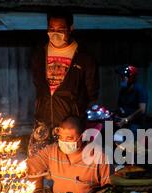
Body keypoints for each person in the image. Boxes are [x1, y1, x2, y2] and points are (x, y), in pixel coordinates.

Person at [28, 8, 99, 157]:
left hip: (70, 124)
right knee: (36, 164)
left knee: (68, 165)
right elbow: (37, 84)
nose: (55, 33)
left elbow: (92, 91)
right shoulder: (39, 54)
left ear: (71, 28)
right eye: (51, 29)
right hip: (43, 120)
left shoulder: (84, 57)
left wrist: (77, 117)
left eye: (61, 29)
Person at [27, 116, 112, 193]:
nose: (64, 142)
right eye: (60, 137)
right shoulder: (52, 151)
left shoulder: (100, 158)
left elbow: (110, 191)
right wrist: (38, 191)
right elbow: (31, 167)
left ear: (82, 137)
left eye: (69, 138)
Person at [116, 65, 148, 133]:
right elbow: (120, 105)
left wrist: (127, 119)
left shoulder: (140, 90)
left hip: (135, 124)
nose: (122, 79)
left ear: (132, 78)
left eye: (124, 77)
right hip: (123, 121)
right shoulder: (122, 90)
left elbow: (142, 109)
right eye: (121, 77)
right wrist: (119, 115)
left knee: (124, 137)